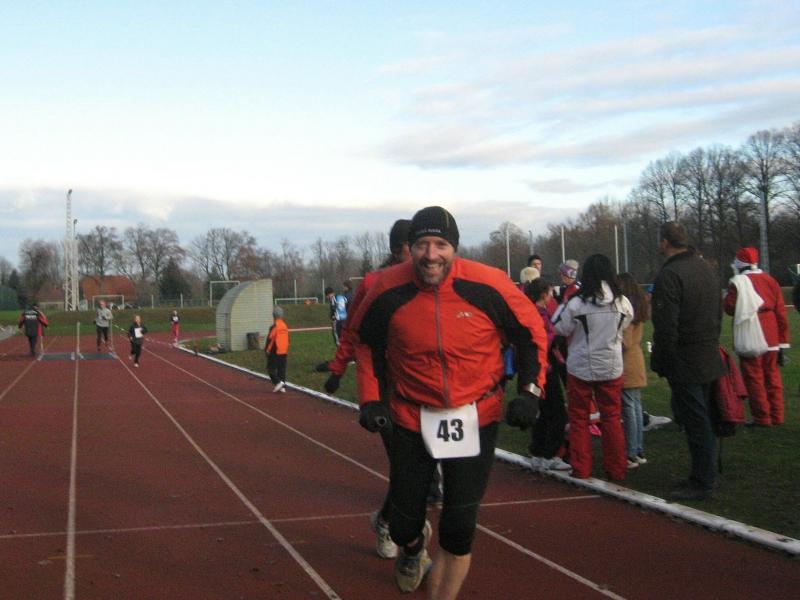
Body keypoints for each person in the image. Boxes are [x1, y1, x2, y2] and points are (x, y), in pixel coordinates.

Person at [350, 206, 548, 597]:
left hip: (476, 414)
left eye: (440, 245)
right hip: (412, 416)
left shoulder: (488, 284)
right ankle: (412, 546)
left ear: (454, 247)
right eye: (422, 244)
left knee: (458, 531)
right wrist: (371, 399)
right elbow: (366, 342)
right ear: (410, 248)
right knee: (403, 525)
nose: (431, 255)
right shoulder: (388, 288)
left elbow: (531, 334)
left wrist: (530, 392)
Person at [316, 219, 415, 559]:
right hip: (385, 386)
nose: (424, 252)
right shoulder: (374, 283)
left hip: (422, 383)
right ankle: (389, 525)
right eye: (416, 244)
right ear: (399, 249)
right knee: (405, 466)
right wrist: (337, 369)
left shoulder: (431, 281)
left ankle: (397, 518)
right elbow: (353, 332)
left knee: (419, 471)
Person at [651, 222, 726, 501]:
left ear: (665, 242)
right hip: (707, 352)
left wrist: (663, 359)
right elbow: (718, 313)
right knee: (702, 417)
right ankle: (704, 473)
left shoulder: (671, 274)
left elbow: (666, 325)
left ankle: (703, 479)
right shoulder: (705, 268)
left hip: (686, 357)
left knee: (695, 421)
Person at [553, 254, 633, 481]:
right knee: (612, 417)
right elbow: (627, 322)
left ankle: (581, 468)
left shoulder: (576, 303)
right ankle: (617, 468)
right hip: (611, 365)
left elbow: (558, 327)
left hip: (580, 366)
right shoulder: (622, 302)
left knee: (579, 419)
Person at [723, 247, 790, 426]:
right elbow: (781, 312)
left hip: (750, 331)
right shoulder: (770, 280)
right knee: (772, 376)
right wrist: (783, 340)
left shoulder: (738, 282)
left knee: (754, 376)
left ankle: (762, 416)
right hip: (771, 332)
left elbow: (730, 308)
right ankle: (777, 415)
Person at [524, 277, 570, 472]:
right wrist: (556, 340)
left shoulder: (531, 312)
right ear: (544, 294)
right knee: (557, 412)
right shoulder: (538, 315)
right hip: (544, 368)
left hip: (537, 368)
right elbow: (542, 339)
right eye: (550, 292)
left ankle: (538, 452)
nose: (552, 295)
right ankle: (550, 454)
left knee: (543, 412)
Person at [618, 272, 651, 468]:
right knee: (636, 406)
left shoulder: (628, 312)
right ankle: (637, 449)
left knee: (629, 408)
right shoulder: (639, 306)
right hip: (635, 359)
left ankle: (631, 452)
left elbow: (626, 341)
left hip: (627, 361)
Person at [265, 306, 289, 393]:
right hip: (284, 351)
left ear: (273, 316)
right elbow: (288, 339)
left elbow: (270, 339)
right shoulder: (285, 326)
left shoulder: (274, 326)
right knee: (281, 370)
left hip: (275, 350)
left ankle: (278, 382)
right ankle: (282, 386)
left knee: (270, 369)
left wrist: (267, 350)